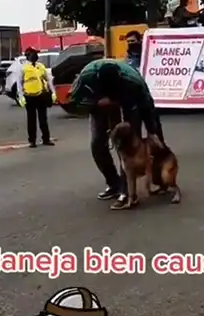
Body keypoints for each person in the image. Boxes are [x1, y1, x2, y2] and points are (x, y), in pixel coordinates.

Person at [68, 58, 164, 208]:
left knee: (130, 146)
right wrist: (95, 103)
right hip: (98, 104)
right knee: (97, 144)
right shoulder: (86, 77)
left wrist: (153, 131)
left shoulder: (132, 80)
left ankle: (128, 192)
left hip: (128, 102)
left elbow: (147, 104)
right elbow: (74, 102)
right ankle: (114, 184)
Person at [16, 47, 56, 148]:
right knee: (31, 120)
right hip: (29, 96)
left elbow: (48, 80)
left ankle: (46, 139)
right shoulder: (23, 68)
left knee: (43, 119)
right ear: (28, 55)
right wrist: (21, 97)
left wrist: (53, 92)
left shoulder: (41, 66)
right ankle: (32, 141)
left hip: (41, 95)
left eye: (36, 54)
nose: (36, 56)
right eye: (33, 54)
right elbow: (19, 83)